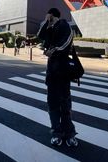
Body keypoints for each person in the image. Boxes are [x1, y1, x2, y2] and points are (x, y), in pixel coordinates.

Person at [37, 8, 78, 147]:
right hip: (51, 72)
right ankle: (56, 133)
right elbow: (39, 36)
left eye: (48, 15)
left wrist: (52, 51)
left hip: (63, 70)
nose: (46, 16)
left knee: (65, 103)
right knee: (53, 104)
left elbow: (66, 42)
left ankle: (69, 134)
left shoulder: (64, 25)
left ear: (53, 14)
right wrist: (46, 22)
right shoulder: (49, 27)